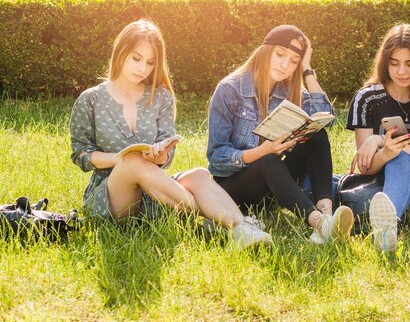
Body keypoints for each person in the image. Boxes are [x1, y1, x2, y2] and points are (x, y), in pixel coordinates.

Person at [70, 20, 271, 248]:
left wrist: (160, 156)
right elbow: (81, 154)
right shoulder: (91, 99)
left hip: (154, 192)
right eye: (136, 58)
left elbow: (167, 152)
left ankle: (241, 229)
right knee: (133, 161)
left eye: (150, 62)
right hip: (111, 197)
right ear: (120, 51)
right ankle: (215, 214)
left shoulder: (160, 97)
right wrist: (121, 159)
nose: (142, 68)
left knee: (198, 175)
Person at [207, 25, 354, 244]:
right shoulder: (229, 90)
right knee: (268, 160)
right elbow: (216, 159)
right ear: (266, 50)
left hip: (272, 188)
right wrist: (262, 151)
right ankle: (320, 225)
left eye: (294, 61)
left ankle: (327, 215)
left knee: (317, 135)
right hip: (233, 191)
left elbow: (325, 117)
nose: (286, 65)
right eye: (280, 54)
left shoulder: (288, 90)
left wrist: (307, 70)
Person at [347, 24, 410, 252]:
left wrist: (380, 140)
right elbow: (367, 168)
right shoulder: (367, 99)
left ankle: (385, 230)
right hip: (377, 183)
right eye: (394, 63)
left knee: (401, 157)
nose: (401, 71)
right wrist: (384, 153)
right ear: (386, 63)